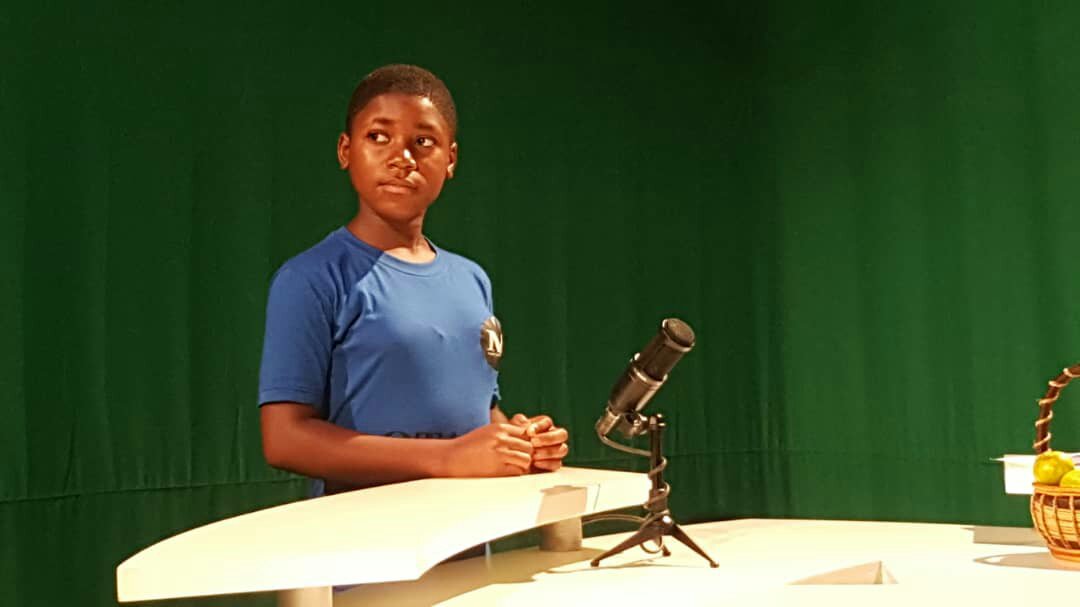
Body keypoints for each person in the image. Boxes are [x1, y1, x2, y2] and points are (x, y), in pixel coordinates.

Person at [257, 64, 569, 496]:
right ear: (346, 150)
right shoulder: (311, 278)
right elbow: (284, 439)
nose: (401, 158)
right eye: (378, 136)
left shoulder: (472, 279)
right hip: (364, 535)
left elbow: (479, 413)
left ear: (451, 159)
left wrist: (517, 443)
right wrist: (448, 458)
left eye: (422, 142)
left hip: (470, 530)